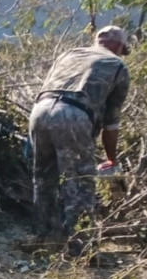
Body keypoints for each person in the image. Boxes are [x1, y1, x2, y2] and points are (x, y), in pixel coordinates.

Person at [27, 25, 131, 251]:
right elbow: (111, 124)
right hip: (72, 115)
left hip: (39, 111)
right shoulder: (117, 66)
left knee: (43, 178)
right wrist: (111, 158)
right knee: (81, 182)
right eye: (122, 48)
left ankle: (42, 237)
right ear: (118, 45)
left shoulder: (70, 54)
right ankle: (81, 248)